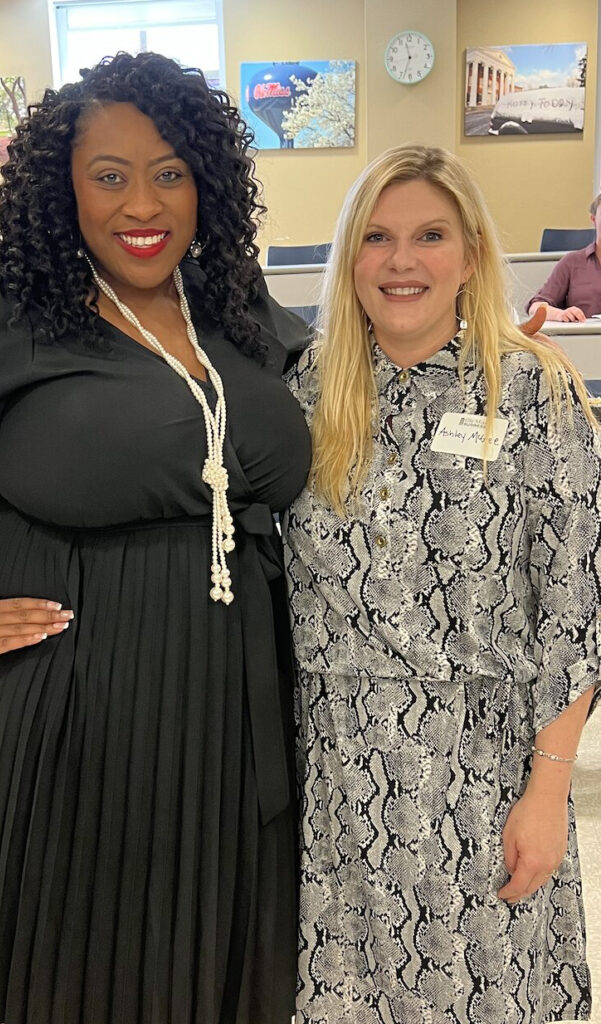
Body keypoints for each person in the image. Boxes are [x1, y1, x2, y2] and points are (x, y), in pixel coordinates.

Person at [0, 52, 311, 1024]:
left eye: (170, 172)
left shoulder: (229, 304)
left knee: (208, 969)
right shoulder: (7, 308)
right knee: (80, 972)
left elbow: (342, 396)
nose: (143, 204)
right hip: (64, 712)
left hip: (227, 703)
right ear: (64, 187)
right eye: (109, 174)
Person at [284, 144, 600, 1024]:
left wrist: (548, 792)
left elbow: (573, 611)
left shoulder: (532, 392)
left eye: (429, 235)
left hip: (484, 773)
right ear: (350, 256)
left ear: (470, 254)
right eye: (376, 236)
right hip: (335, 778)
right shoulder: (304, 390)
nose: (401, 260)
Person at [527, 194, 601, 322]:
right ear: (593, 220)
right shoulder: (571, 262)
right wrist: (560, 314)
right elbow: (535, 308)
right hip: (583, 334)